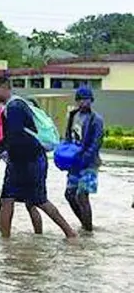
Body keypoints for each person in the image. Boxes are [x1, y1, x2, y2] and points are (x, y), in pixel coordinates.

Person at [0, 76, 77, 239]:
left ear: (5, 88)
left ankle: (5, 242)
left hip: (28, 161)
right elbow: (11, 137)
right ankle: (6, 241)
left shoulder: (15, 107)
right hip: (26, 160)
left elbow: (14, 137)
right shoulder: (13, 106)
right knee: (19, 200)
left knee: (31, 200)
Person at [0, 102, 44, 234]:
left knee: (11, 201)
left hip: (22, 165)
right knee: (27, 203)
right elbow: (4, 146)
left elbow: (6, 147)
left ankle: (3, 235)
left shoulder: (17, 128)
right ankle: (37, 236)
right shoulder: (26, 128)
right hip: (26, 164)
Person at [64, 86, 103, 232]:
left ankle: (88, 230)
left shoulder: (96, 119)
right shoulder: (73, 115)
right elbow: (68, 137)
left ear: (91, 100)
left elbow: (96, 142)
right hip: (74, 161)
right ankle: (84, 224)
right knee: (69, 194)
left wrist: (85, 159)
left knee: (82, 195)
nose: (83, 103)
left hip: (89, 163)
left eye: (86, 100)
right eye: (80, 100)